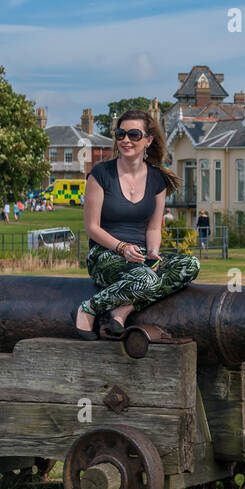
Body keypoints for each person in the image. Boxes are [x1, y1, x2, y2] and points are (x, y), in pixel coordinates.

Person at [74, 109, 199, 340]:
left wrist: (153, 252)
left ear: (148, 141)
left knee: (190, 265)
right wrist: (121, 247)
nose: (126, 140)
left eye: (133, 135)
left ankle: (122, 310)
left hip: (140, 256)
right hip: (105, 255)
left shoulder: (157, 180)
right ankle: (89, 308)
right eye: (120, 134)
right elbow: (92, 227)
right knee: (148, 278)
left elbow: (153, 228)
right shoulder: (101, 174)